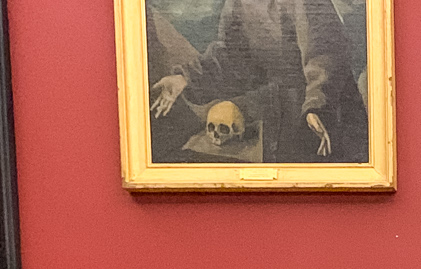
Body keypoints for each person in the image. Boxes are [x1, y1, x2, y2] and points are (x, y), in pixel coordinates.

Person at [150, 0, 366, 164]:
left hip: (325, 114)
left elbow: (325, 54)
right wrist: (185, 78)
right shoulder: (238, 3)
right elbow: (232, 57)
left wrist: (317, 105)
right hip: (281, 112)